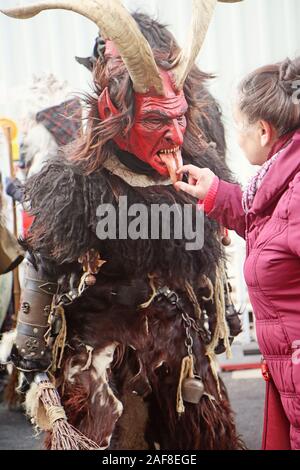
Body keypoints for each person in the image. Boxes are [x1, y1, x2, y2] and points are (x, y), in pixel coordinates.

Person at [0, 0, 244, 450]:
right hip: (99, 346)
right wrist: (33, 351)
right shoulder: (79, 180)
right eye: (156, 120)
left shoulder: (197, 165)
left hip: (177, 341)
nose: (173, 134)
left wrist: (220, 314)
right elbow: (45, 258)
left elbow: (213, 242)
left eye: (179, 118)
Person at [175, 56, 300, 451]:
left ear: (263, 131)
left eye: (239, 127)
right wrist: (215, 193)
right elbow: (272, 226)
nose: (238, 137)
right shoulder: (280, 181)